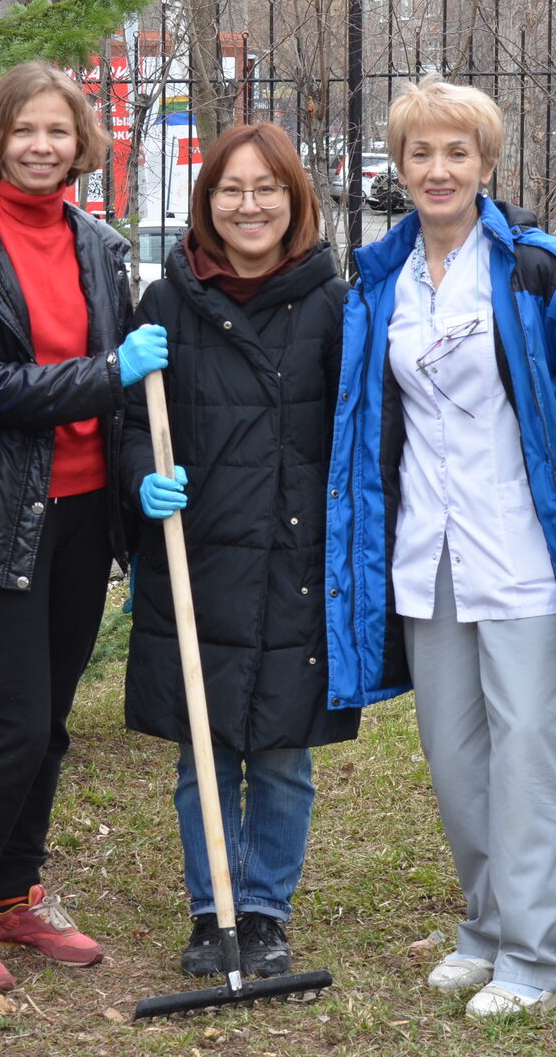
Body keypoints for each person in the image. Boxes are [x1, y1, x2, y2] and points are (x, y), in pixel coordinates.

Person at [327, 76, 556, 1018]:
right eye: (419, 153)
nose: (437, 170)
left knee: (530, 754)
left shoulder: (536, 270)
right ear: (398, 168)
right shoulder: (377, 279)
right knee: (455, 757)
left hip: (524, 552)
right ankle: (484, 926)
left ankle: (534, 955)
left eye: (457, 152)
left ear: (487, 165)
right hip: (425, 555)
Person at [0, 61, 167, 992]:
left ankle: (19, 895)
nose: (41, 146)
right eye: (24, 130)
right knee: (17, 722)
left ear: (81, 144)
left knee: (53, 722)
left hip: (87, 509)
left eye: (58, 131)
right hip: (5, 514)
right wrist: (111, 370)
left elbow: (135, 385)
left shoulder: (98, 244)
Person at [122, 121, 354, 981]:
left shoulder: (334, 305)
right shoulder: (167, 304)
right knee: (206, 750)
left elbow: (358, 432)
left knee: (285, 754)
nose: (248, 205)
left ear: (295, 200)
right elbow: (130, 424)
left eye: (267, 189)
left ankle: (263, 913)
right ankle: (209, 906)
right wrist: (142, 474)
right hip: (201, 555)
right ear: (206, 201)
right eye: (230, 189)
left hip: (298, 558)